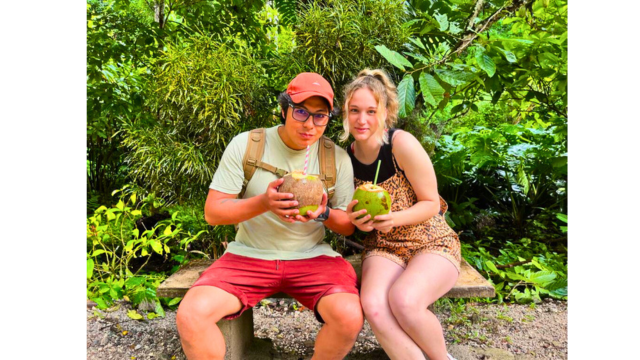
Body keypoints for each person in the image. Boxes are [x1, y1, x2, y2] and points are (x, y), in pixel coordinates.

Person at [176, 72, 364, 360]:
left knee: (349, 316)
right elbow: (213, 213)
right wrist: (264, 202)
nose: (309, 124)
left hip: (312, 257)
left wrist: (323, 213)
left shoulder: (335, 157)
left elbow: (347, 227)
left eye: (320, 116)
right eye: (301, 111)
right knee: (192, 315)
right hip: (249, 255)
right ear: (284, 109)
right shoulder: (248, 144)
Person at [343, 69, 461, 360]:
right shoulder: (346, 156)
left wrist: (393, 219)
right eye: (355, 110)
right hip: (384, 246)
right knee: (372, 304)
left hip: (430, 241)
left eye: (371, 111)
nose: (362, 119)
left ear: (386, 112)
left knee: (404, 300)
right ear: (346, 112)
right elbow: (351, 216)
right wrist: (356, 220)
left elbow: (431, 203)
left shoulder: (400, 144)